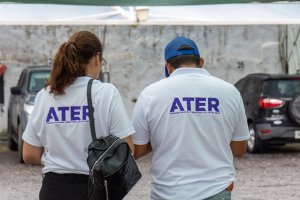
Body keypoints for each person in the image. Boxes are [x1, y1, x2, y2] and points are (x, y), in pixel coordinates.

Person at [132, 36, 250, 200]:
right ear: (201, 62)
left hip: (167, 193)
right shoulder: (230, 92)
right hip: (216, 190)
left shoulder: (150, 94)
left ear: (168, 66)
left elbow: (137, 150)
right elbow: (239, 149)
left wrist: (161, 136)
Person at [22, 31, 135, 200]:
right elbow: (128, 149)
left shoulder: (45, 95)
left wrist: (60, 159)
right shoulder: (106, 92)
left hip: (54, 189)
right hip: (93, 189)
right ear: (96, 59)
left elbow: (29, 154)